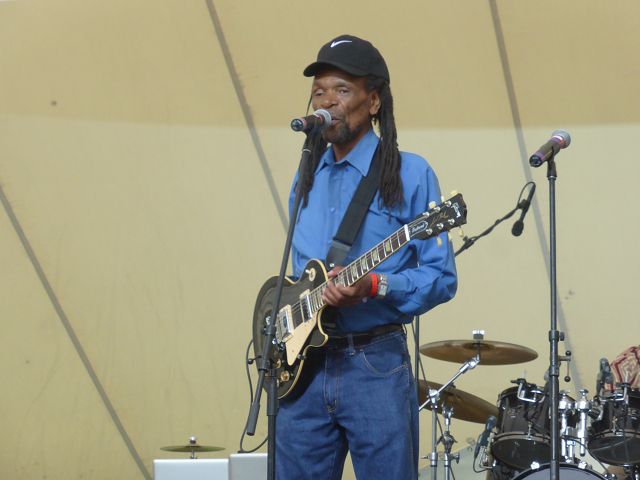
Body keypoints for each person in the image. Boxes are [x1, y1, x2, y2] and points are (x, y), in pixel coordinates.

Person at [276, 34, 458, 480]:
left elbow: (441, 277)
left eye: (342, 90)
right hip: (303, 367)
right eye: (319, 91)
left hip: (374, 362)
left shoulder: (410, 173)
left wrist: (375, 285)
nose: (327, 102)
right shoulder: (307, 175)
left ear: (373, 101)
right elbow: (299, 273)